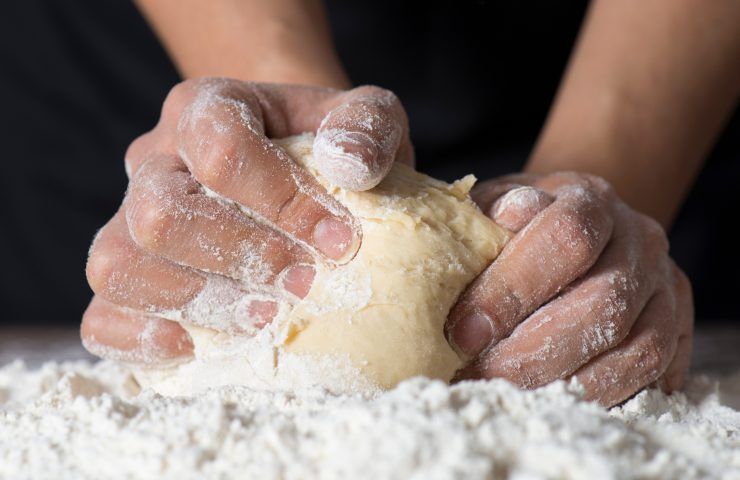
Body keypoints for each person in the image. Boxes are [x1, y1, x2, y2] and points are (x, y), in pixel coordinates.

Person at [4, 0, 739, 406]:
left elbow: (588, 236)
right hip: (117, 83)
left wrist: (594, 200)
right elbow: (274, 161)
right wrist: (276, 145)